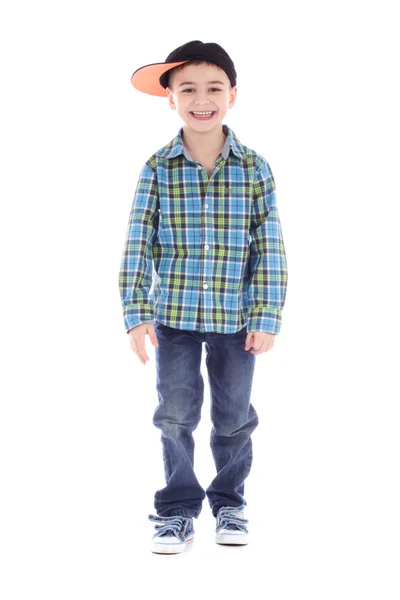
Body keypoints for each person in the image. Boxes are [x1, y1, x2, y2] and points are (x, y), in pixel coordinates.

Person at [118, 40, 288, 554]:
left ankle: (230, 503)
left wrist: (267, 315)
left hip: (238, 320)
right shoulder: (157, 168)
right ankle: (176, 510)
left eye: (214, 88)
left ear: (232, 95)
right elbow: (137, 241)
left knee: (235, 417)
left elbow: (270, 245)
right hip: (174, 318)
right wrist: (135, 313)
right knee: (174, 413)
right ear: (170, 98)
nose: (201, 99)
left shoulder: (254, 168)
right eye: (187, 88)